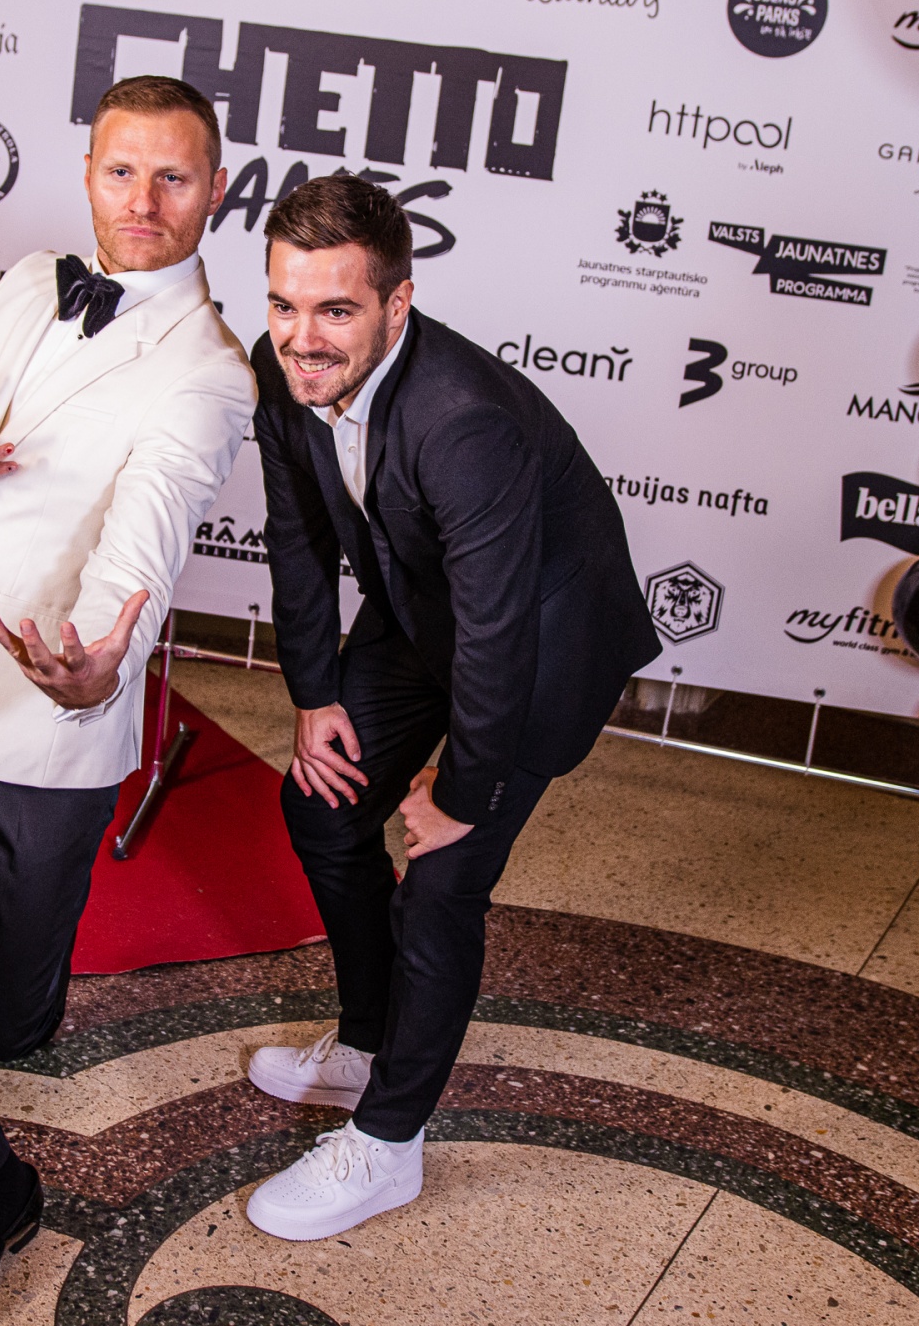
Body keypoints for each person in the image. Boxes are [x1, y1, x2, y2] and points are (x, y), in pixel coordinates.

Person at [0, 76, 254, 1326]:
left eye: (173, 177)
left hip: (44, 694)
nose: (143, 200)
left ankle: (5, 1001)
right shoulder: (30, 278)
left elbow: (148, 532)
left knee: (7, 1019)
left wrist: (97, 663)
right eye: (121, 170)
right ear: (87, 173)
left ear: (216, 191)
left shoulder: (211, 371)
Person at [241, 174, 660, 1240]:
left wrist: (462, 792)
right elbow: (297, 538)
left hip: (541, 647)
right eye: (284, 304)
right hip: (420, 606)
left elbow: (501, 630)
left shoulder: (463, 421)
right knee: (320, 806)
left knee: (440, 883)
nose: (302, 338)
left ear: (399, 302)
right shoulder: (281, 368)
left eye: (336, 310)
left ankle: (387, 1145)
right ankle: (369, 1041)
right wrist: (315, 693)